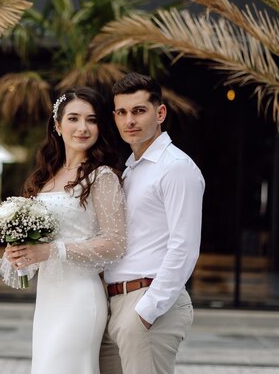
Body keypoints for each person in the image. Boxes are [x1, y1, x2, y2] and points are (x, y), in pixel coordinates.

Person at [0, 86, 127, 374]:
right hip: (48, 296)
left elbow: (116, 243)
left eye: (91, 120)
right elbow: (36, 248)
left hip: (81, 296)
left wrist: (50, 250)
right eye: (74, 118)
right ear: (57, 125)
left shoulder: (102, 176)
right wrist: (19, 251)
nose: (83, 127)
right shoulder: (44, 179)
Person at [100, 73, 205, 374]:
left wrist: (146, 312)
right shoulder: (131, 168)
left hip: (146, 303)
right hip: (117, 303)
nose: (129, 120)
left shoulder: (176, 168)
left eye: (138, 111)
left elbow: (184, 247)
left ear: (160, 113)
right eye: (122, 112)